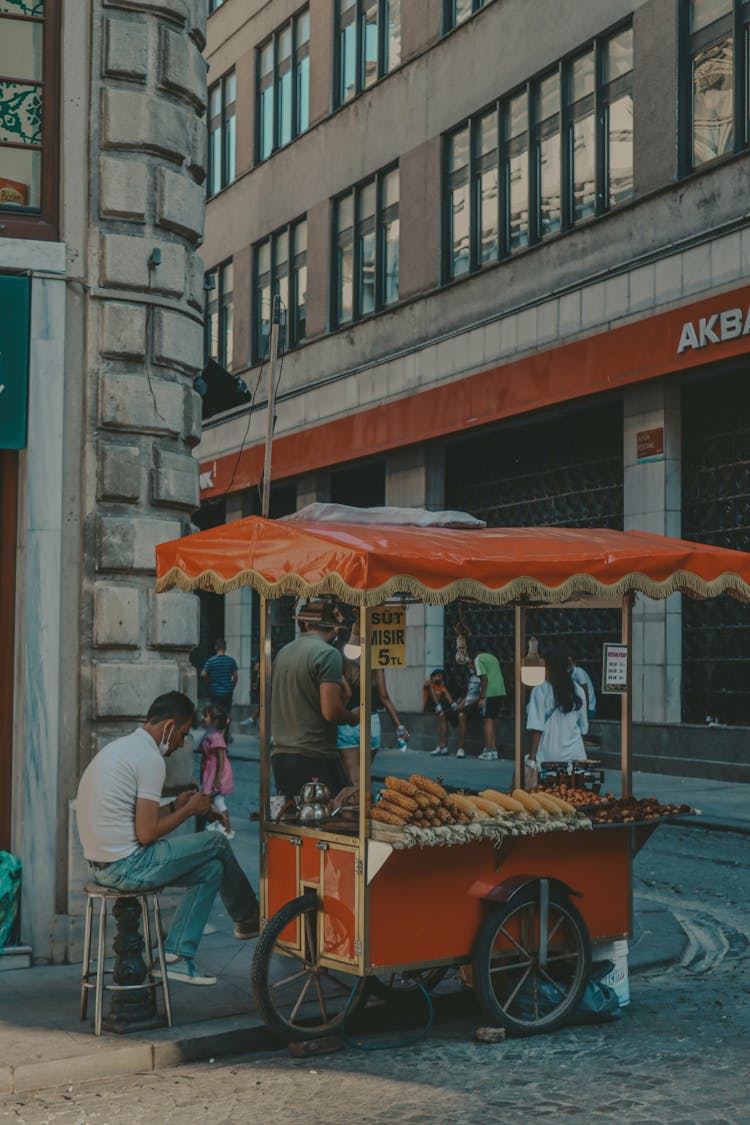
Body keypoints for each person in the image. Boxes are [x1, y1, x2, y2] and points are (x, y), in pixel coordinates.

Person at [76, 692, 259, 986]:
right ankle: (249, 917)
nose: (181, 744)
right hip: (127, 866)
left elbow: (137, 819)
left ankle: (175, 956)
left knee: (212, 870)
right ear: (169, 727)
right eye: (183, 734)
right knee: (217, 843)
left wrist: (176, 805)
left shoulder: (124, 748)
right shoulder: (149, 758)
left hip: (103, 864)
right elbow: (146, 833)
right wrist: (189, 810)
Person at [271, 599, 360, 797]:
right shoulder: (328, 654)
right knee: (334, 813)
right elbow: (330, 712)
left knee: (295, 817)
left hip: (281, 754)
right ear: (336, 629)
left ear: (306, 624)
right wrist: (352, 717)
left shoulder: (283, 653)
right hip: (314, 754)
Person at [338, 653, 409, 756]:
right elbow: (384, 697)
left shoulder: (341, 660)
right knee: (365, 769)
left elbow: (346, 694)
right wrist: (398, 726)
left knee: (352, 770)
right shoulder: (375, 662)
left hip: (347, 720)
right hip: (371, 721)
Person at [526, 652, 589, 768]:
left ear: (549, 668)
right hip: (576, 755)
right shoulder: (578, 690)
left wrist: (531, 758)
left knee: (548, 786)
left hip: (549, 757)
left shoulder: (540, 690)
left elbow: (536, 728)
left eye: (542, 667)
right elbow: (584, 727)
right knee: (575, 786)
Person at [199, 703, 234, 839]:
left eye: (206, 716)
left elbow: (220, 759)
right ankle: (222, 826)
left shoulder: (216, 737)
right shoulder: (209, 734)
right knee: (215, 801)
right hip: (210, 771)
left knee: (217, 801)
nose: (202, 718)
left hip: (216, 772)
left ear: (215, 720)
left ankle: (226, 828)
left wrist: (218, 779)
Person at [473, 649, 507, 760]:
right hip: (500, 690)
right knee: (492, 720)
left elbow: (484, 677)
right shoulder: (492, 657)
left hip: (490, 691)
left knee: (487, 721)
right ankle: (493, 750)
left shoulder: (478, 659)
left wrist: (482, 697)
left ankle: (488, 750)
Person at [426, 668, 459, 755]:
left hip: (441, 708)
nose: (440, 678)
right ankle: (438, 706)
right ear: (433, 677)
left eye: (441, 676)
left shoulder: (442, 687)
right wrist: (437, 705)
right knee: (434, 687)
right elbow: (428, 686)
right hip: (431, 706)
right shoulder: (430, 684)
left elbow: (444, 692)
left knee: (442, 715)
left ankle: (453, 704)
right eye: (438, 676)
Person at [201, 638, 238, 712]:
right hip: (227, 692)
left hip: (215, 692)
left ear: (215, 647)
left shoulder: (211, 661)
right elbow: (235, 677)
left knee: (216, 713)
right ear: (225, 648)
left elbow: (203, 674)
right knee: (226, 713)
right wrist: (231, 687)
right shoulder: (231, 661)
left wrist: (210, 680)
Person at [568, 655, 596, 719]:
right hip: (579, 707)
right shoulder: (569, 674)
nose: (568, 664)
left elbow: (585, 692)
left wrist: (585, 712)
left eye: (570, 662)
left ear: (574, 663)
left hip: (589, 709)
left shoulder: (579, 672)